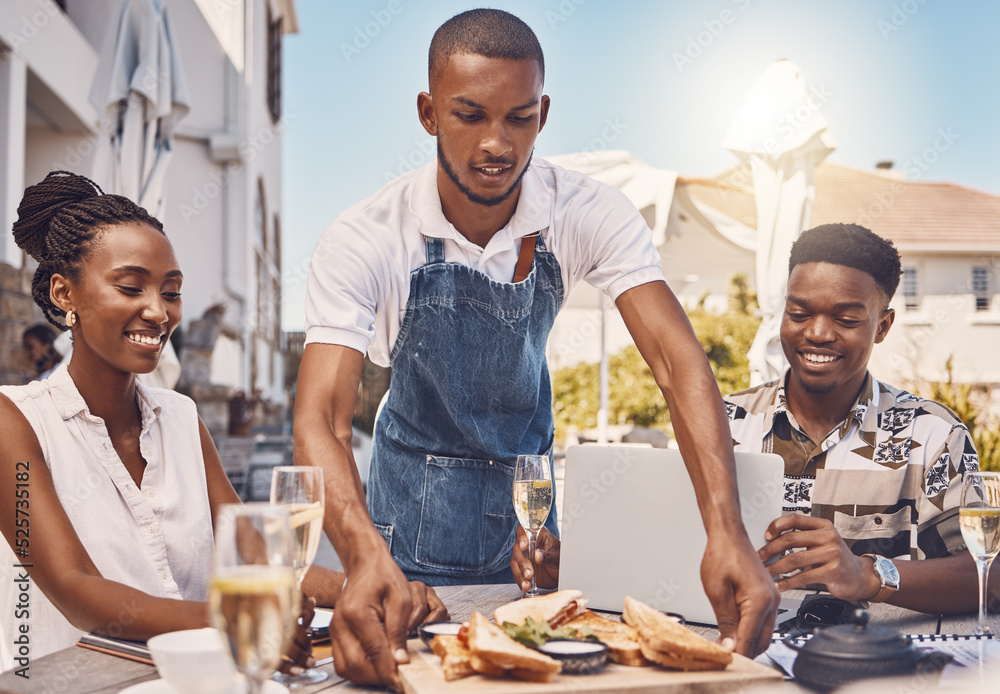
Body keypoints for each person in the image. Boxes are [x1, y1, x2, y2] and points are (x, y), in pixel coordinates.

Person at [295, 9, 778, 689]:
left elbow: (677, 364)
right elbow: (318, 416)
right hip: (410, 539)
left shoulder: (587, 212)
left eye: (519, 118)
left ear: (543, 114)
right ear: (429, 112)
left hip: (532, 514)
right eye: (470, 115)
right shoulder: (367, 237)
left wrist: (724, 530)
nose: (497, 143)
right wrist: (362, 554)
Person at [0, 172, 447, 673]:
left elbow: (255, 556)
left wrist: (368, 590)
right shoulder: (13, 421)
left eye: (171, 292)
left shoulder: (182, 418)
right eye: (130, 287)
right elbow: (74, 588)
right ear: (65, 294)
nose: (157, 311)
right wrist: (237, 620)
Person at [723, 223, 992, 612]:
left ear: (882, 326)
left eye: (846, 320)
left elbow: (986, 575)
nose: (816, 333)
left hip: (880, 662)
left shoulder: (932, 433)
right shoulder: (722, 421)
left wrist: (868, 575)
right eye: (798, 313)